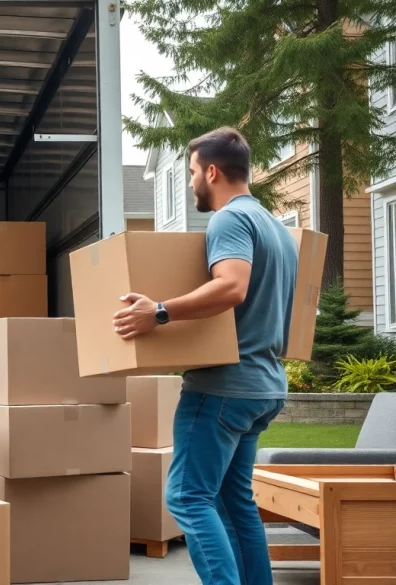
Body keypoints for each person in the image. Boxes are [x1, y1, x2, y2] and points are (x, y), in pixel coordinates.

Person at [110, 127, 297, 585]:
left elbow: (231, 287)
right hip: (264, 384)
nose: (192, 181)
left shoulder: (229, 220)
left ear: (212, 172)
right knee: (234, 503)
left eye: (192, 172)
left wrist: (158, 312)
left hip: (222, 387)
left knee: (187, 497)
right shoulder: (275, 227)